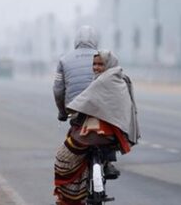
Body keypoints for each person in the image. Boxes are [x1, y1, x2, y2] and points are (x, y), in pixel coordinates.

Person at [53, 50, 140, 205]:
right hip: (116, 136)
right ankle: (107, 165)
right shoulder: (119, 79)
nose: (96, 68)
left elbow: (81, 101)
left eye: (101, 64)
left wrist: (67, 110)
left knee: (63, 158)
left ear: (109, 65)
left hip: (98, 134)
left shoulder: (102, 81)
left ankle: (71, 197)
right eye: (94, 64)